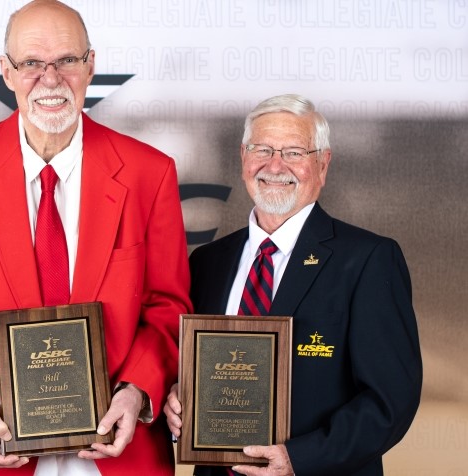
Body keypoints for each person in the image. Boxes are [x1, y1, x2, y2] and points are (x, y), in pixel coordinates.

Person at [0, 1, 192, 474]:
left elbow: (168, 306)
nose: (50, 79)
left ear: (91, 66)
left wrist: (137, 390)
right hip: (1, 449)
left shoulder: (150, 172)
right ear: (6, 72)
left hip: (119, 449)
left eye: (66, 60)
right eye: (31, 63)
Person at [163, 94, 422, 476]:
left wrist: (299, 458)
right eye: (262, 149)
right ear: (243, 157)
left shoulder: (368, 259)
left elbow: (390, 401)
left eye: (294, 152)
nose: (275, 165)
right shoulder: (208, 262)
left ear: (323, 164)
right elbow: (189, 369)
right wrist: (177, 399)